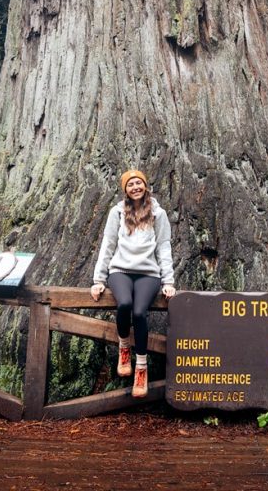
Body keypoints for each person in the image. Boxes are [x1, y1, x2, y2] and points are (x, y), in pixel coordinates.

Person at [91, 169, 176, 397]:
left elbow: (163, 248)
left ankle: (141, 367)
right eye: (131, 184)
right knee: (125, 305)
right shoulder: (117, 213)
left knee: (139, 313)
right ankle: (124, 346)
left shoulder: (159, 214)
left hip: (149, 274)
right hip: (120, 270)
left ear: (145, 186)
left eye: (139, 183)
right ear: (125, 190)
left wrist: (168, 281)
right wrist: (99, 279)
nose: (135, 187)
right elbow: (108, 245)